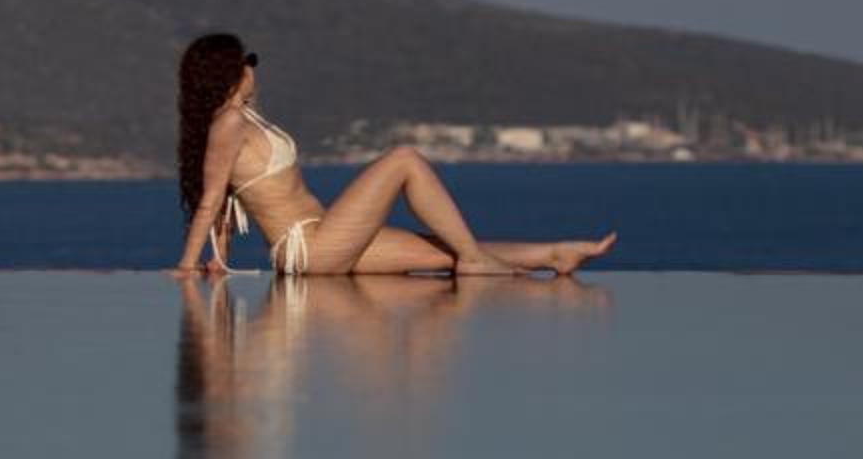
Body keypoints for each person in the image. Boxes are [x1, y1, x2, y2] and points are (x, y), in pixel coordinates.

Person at [170, 33, 617, 281]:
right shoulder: (229, 123)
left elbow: (227, 204)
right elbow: (213, 198)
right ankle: (478, 260)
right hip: (309, 248)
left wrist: (218, 259)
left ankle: (554, 253)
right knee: (404, 159)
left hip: (325, 237)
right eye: (247, 59)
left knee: (444, 251)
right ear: (230, 70)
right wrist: (189, 265)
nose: (253, 67)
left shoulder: (244, 118)